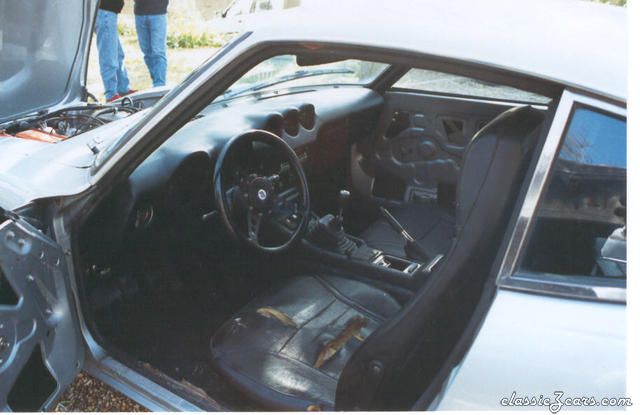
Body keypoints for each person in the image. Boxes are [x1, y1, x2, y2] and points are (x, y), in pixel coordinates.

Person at [94, 0, 136, 102]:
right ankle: (111, 95)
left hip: (108, 12)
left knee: (118, 54)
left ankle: (123, 89)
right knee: (109, 55)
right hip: (105, 11)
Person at [134, 0, 169, 87]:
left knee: (158, 52)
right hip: (139, 13)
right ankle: (156, 82)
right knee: (147, 53)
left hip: (158, 13)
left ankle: (159, 85)